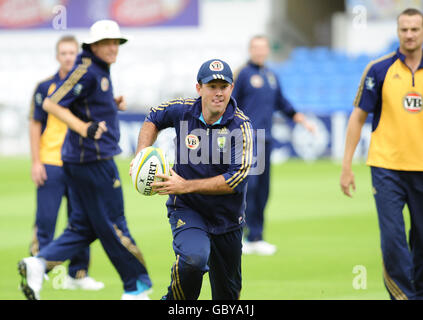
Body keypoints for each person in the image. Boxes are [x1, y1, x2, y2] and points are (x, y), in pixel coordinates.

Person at [18, 20, 152, 300]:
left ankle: (38, 264)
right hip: (93, 160)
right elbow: (51, 103)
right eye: (107, 43)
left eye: (116, 42)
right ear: (93, 46)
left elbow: (82, 102)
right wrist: (83, 128)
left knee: (83, 226)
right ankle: (136, 286)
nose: (113, 47)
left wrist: (109, 104)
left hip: (83, 161)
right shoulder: (88, 70)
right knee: (114, 222)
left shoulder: (97, 70)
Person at [131, 59, 254, 300]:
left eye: (224, 86)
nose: (218, 93)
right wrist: (140, 156)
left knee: (227, 299)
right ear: (199, 88)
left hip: (228, 219)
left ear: (231, 88)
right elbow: (153, 117)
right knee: (193, 261)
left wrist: (184, 185)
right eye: (212, 86)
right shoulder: (183, 109)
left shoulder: (242, 127)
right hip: (187, 209)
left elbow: (236, 178)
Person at [340, 8, 423, 300]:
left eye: (415, 29)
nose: (409, 34)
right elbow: (357, 117)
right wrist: (346, 165)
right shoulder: (379, 69)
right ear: (398, 31)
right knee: (393, 240)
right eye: (405, 29)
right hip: (386, 167)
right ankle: (404, 296)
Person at [28, 35, 104, 291]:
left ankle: (78, 274)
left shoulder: (84, 86)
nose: (69, 57)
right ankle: (36, 272)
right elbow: (35, 124)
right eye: (64, 53)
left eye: (73, 53)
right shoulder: (44, 87)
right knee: (46, 219)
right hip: (51, 162)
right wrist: (36, 161)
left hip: (78, 162)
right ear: (57, 56)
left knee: (81, 219)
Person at [232, 35, 315, 255]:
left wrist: (302, 120)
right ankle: (236, 235)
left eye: (263, 48)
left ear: (267, 50)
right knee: (249, 187)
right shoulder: (242, 74)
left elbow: (282, 103)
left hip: (266, 139)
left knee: (264, 190)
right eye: (256, 48)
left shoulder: (271, 75)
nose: (260, 52)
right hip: (247, 139)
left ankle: (256, 237)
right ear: (250, 49)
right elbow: (230, 104)